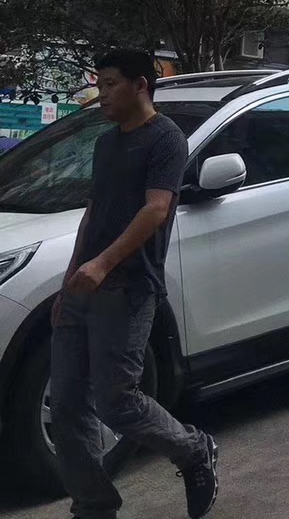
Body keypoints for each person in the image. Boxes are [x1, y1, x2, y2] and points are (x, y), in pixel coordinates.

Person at [50, 50, 219, 519]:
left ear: (140, 85)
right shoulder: (106, 144)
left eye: (109, 84)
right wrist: (69, 281)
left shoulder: (166, 138)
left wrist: (103, 264)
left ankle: (193, 449)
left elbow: (157, 209)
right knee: (65, 405)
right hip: (84, 284)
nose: (101, 94)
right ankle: (94, 506)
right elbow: (93, 213)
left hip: (128, 287)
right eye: (99, 85)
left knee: (116, 400)